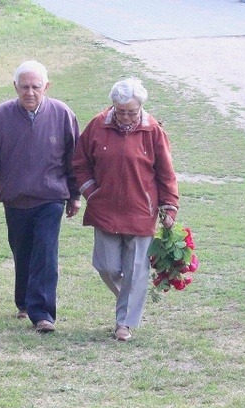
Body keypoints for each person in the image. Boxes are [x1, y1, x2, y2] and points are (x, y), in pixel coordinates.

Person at [0, 60, 80, 333]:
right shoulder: (0, 116)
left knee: (45, 251)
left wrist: (75, 195)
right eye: (24, 87)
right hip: (16, 198)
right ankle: (24, 302)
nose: (30, 93)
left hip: (50, 197)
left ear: (47, 87)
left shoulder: (62, 114)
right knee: (23, 250)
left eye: (36, 87)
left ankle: (43, 315)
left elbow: (76, 159)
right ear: (15, 87)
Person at [72, 78, 179, 341]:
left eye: (132, 111)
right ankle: (131, 296)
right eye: (121, 112)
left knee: (136, 268)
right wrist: (91, 192)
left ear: (141, 106)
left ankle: (125, 323)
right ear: (113, 106)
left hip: (141, 210)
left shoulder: (153, 131)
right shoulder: (98, 125)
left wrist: (169, 207)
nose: (127, 117)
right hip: (104, 208)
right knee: (106, 266)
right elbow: (79, 162)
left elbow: (166, 173)